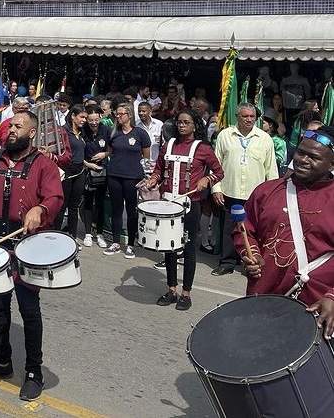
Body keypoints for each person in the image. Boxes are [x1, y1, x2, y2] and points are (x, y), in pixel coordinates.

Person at [0, 111, 64, 402]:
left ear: (32, 133)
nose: (11, 130)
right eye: (10, 126)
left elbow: (54, 197)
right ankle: (2, 361)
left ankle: (33, 372)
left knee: (29, 311)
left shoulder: (43, 165)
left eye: (18, 126)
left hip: (25, 247)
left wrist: (40, 210)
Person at [237, 125, 334, 338]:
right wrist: (249, 254)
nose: (302, 160)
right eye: (300, 152)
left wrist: (332, 297)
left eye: (313, 157)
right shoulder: (267, 190)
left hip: (314, 308)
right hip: (262, 297)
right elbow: (245, 228)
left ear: (331, 164)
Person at [143, 109, 223, 311]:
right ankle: (171, 289)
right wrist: (154, 180)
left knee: (187, 249)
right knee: (168, 247)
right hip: (167, 203)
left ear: (195, 125)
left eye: (186, 122)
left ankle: (186, 293)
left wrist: (207, 179)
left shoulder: (203, 148)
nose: (181, 125)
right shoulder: (168, 145)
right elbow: (159, 169)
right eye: (179, 122)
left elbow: (219, 171)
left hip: (190, 205)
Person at [211, 102, 278, 276]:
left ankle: (249, 262)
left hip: (254, 194)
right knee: (228, 229)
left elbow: (271, 168)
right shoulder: (225, 135)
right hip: (229, 190)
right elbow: (215, 164)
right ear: (237, 117)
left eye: (252, 117)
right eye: (245, 116)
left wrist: (273, 194)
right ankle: (227, 262)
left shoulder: (264, 139)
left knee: (253, 230)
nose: (249, 120)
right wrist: (216, 188)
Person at [103, 104, 151, 259]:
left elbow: (146, 156)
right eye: (116, 114)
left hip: (132, 177)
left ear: (129, 115)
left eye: (121, 114)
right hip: (114, 175)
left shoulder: (140, 133)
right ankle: (116, 242)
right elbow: (110, 152)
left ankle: (130, 244)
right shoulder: (114, 133)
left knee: (131, 211)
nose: (118, 117)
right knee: (116, 210)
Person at [55, 105, 87, 242]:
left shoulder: (82, 132)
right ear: (73, 116)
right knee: (62, 205)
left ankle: (72, 236)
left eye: (85, 117)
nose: (84, 120)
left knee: (74, 206)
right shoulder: (63, 131)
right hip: (66, 171)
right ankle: (54, 234)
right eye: (82, 117)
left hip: (80, 171)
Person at [82, 105, 109, 248]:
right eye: (90, 120)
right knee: (87, 201)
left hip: (101, 170)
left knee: (100, 202)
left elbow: (112, 148)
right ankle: (87, 233)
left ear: (100, 118)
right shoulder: (82, 130)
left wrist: (105, 154)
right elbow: (77, 152)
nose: (93, 123)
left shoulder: (106, 130)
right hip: (86, 169)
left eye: (96, 120)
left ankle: (99, 233)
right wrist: (87, 164)